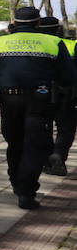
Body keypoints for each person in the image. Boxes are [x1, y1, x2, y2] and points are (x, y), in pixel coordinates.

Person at [0, 7, 74, 209]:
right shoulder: (52, 42)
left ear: (14, 23)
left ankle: (16, 183)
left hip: (8, 100)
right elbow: (68, 76)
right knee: (35, 146)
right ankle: (26, 192)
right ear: (37, 23)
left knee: (15, 143)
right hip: (39, 101)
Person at [43, 22, 77, 176]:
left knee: (43, 127)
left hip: (40, 94)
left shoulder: (35, 45)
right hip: (66, 94)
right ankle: (58, 155)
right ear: (58, 29)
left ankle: (46, 160)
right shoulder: (71, 44)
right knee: (66, 128)